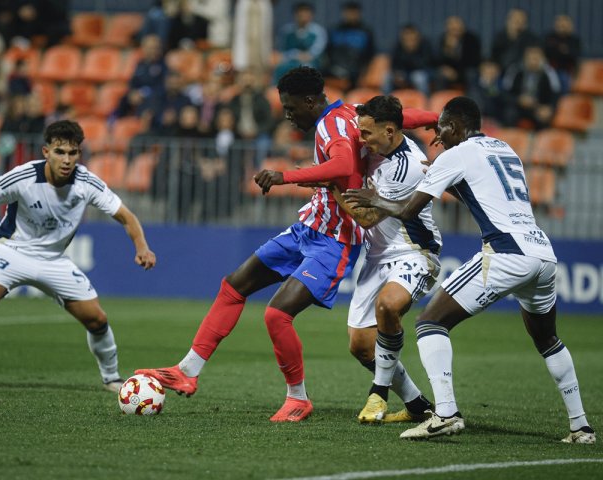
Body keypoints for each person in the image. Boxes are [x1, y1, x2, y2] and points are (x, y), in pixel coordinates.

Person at [136, 67, 437, 422]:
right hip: (308, 226)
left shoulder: (331, 127)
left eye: (292, 108)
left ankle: (298, 398)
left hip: (334, 241)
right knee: (234, 286)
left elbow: (341, 162)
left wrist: (286, 177)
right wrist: (435, 118)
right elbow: (401, 117)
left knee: (278, 315)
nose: (288, 115)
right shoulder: (351, 112)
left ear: (311, 101)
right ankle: (188, 369)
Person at [343, 96, 596, 444]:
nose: (438, 138)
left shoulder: (455, 154)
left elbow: (407, 211)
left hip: (506, 253)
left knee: (431, 323)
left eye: (442, 130)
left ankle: (445, 413)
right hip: (542, 252)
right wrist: (443, 178)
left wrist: (375, 199)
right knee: (547, 339)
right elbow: (479, 193)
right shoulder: (505, 148)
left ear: (456, 126)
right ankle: (580, 427)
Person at [0, 120, 157, 393]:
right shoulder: (21, 177)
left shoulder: (87, 182)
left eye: (73, 153)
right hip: (12, 251)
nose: (67, 160)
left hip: (53, 260)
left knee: (97, 320)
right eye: (60, 152)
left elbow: (126, 216)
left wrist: (141, 246)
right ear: (45, 152)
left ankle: (111, 378)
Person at [334, 96, 441, 424]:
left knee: (388, 306)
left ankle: (377, 394)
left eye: (367, 133)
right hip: (377, 256)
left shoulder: (407, 166)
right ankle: (417, 405)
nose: (361, 139)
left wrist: (331, 187)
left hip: (414, 252)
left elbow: (366, 218)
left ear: (390, 132)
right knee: (361, 345)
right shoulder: (379, 144)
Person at [323, 2, 376, 89]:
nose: (351, 15)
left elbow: (370, 54)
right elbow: (328, 52)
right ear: (344, 13)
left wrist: (362, 70)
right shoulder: (335, 30)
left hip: (356, 70)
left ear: (359, 14)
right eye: (348, 12)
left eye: (354, 12)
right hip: (335, 68)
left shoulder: (366, 32)